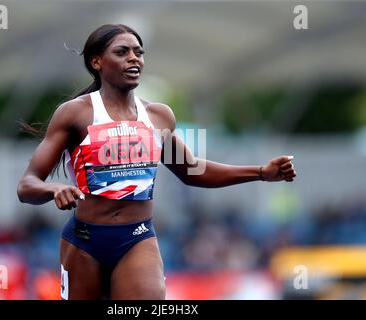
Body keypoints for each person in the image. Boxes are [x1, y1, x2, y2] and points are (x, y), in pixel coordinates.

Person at [17, 24, 297, 300]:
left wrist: (261, 172)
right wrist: (54, 190)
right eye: (122, 52)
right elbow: (27, 185)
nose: (133, 58)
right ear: (97, 61)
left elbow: (192, 171)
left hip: (136, 239)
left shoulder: (158, 116)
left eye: (139, 52)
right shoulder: (75, 114)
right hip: (84, 241)